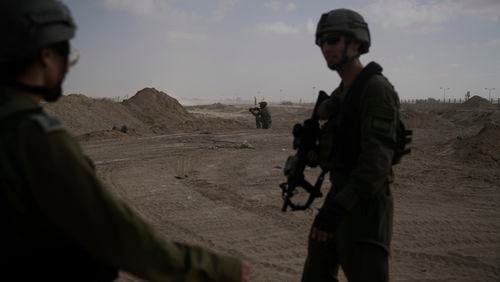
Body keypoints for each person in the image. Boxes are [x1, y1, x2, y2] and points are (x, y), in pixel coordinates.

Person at [0, 1, 249, 281]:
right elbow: (116, 234)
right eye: (65, 56)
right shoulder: (34, 137)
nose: (67, 69)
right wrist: (216, 270)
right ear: (46, 55)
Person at [301, 8, 401, 282]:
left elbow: (376, 164)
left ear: (356, 44)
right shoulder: (343, 93)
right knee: (316, 271)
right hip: (342, 191)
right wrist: (315, 152)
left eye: (332, 39)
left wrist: (337, 209)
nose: (325, 47)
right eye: (321, 41)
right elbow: (346, 146)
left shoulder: (375, 90)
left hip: (366, 204)